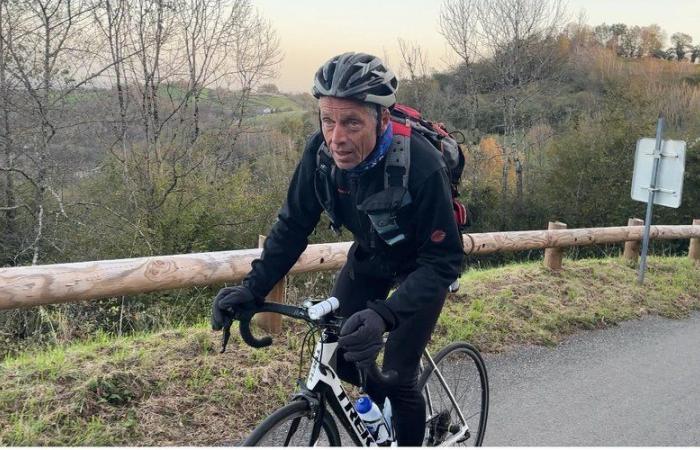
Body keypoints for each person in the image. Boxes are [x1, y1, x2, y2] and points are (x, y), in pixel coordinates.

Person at [211, 52, 464, 446]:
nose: (336, 137)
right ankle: (381, 416)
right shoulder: (320, 156)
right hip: (370, 260)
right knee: (345, 356)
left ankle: (400, 413)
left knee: (398, 376)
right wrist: (253, 288)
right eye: (327, 120)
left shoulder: (421, 164)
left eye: (351, 122)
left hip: (421, 272)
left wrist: (386, 314)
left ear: (382, 119)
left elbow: (445, 262)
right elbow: (293, 226)